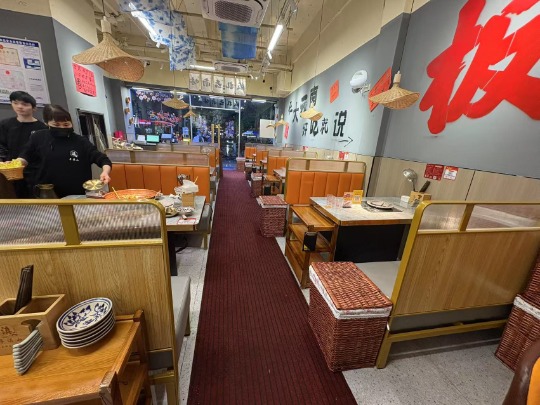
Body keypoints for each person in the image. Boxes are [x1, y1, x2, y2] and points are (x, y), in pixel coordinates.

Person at [16, 104, 112, 198]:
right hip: (47, 192)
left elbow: (102, 159)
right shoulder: (38, 137)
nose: (62, 128)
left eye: (66, 124)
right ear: (46, 123)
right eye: (56, 125)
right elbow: (25, 155)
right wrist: (15, 164)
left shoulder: (80, 141)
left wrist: (105, 172)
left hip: (76, 193)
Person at [0, 91, 47, 197]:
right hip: (11, 171)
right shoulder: (5, 124)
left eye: (25, 104)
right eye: (15, 103)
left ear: (34, 108)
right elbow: (1, 145)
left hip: (35, 171)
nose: (20, 107)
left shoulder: (42, 128)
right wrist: (2, 161)